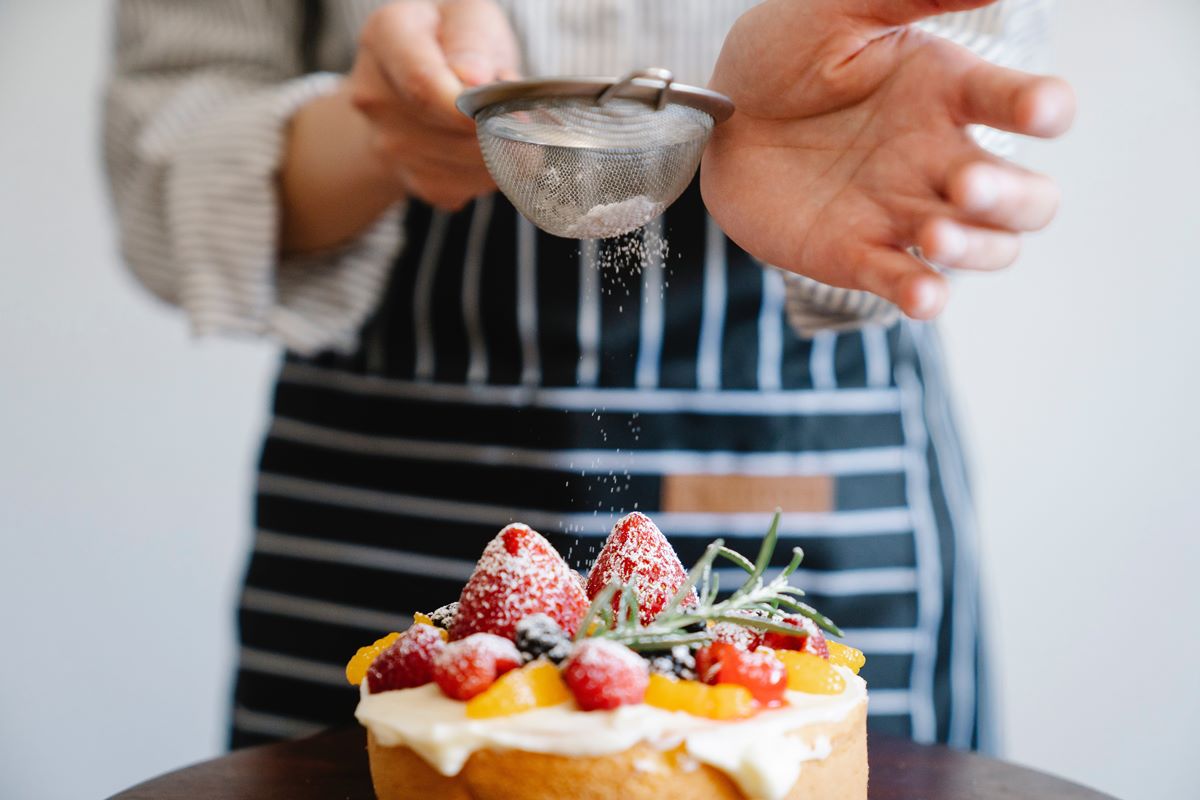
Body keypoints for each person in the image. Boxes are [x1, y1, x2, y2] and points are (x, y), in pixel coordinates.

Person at [104, 0, 1074, 751]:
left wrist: (887, 140)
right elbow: (166, 152)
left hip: (807, 436)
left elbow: (976, 81)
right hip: (382, 477)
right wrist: (380, 129)